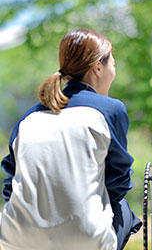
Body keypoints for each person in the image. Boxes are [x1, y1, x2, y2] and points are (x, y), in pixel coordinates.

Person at [0, 28, 141, 250]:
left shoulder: (28, 117)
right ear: (97, 67)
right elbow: (118, 181)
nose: (113, 70)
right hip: (84, 238)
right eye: (112, 63)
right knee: (123, 209)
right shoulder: (110, 110)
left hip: (15, 237)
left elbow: (10, 183)